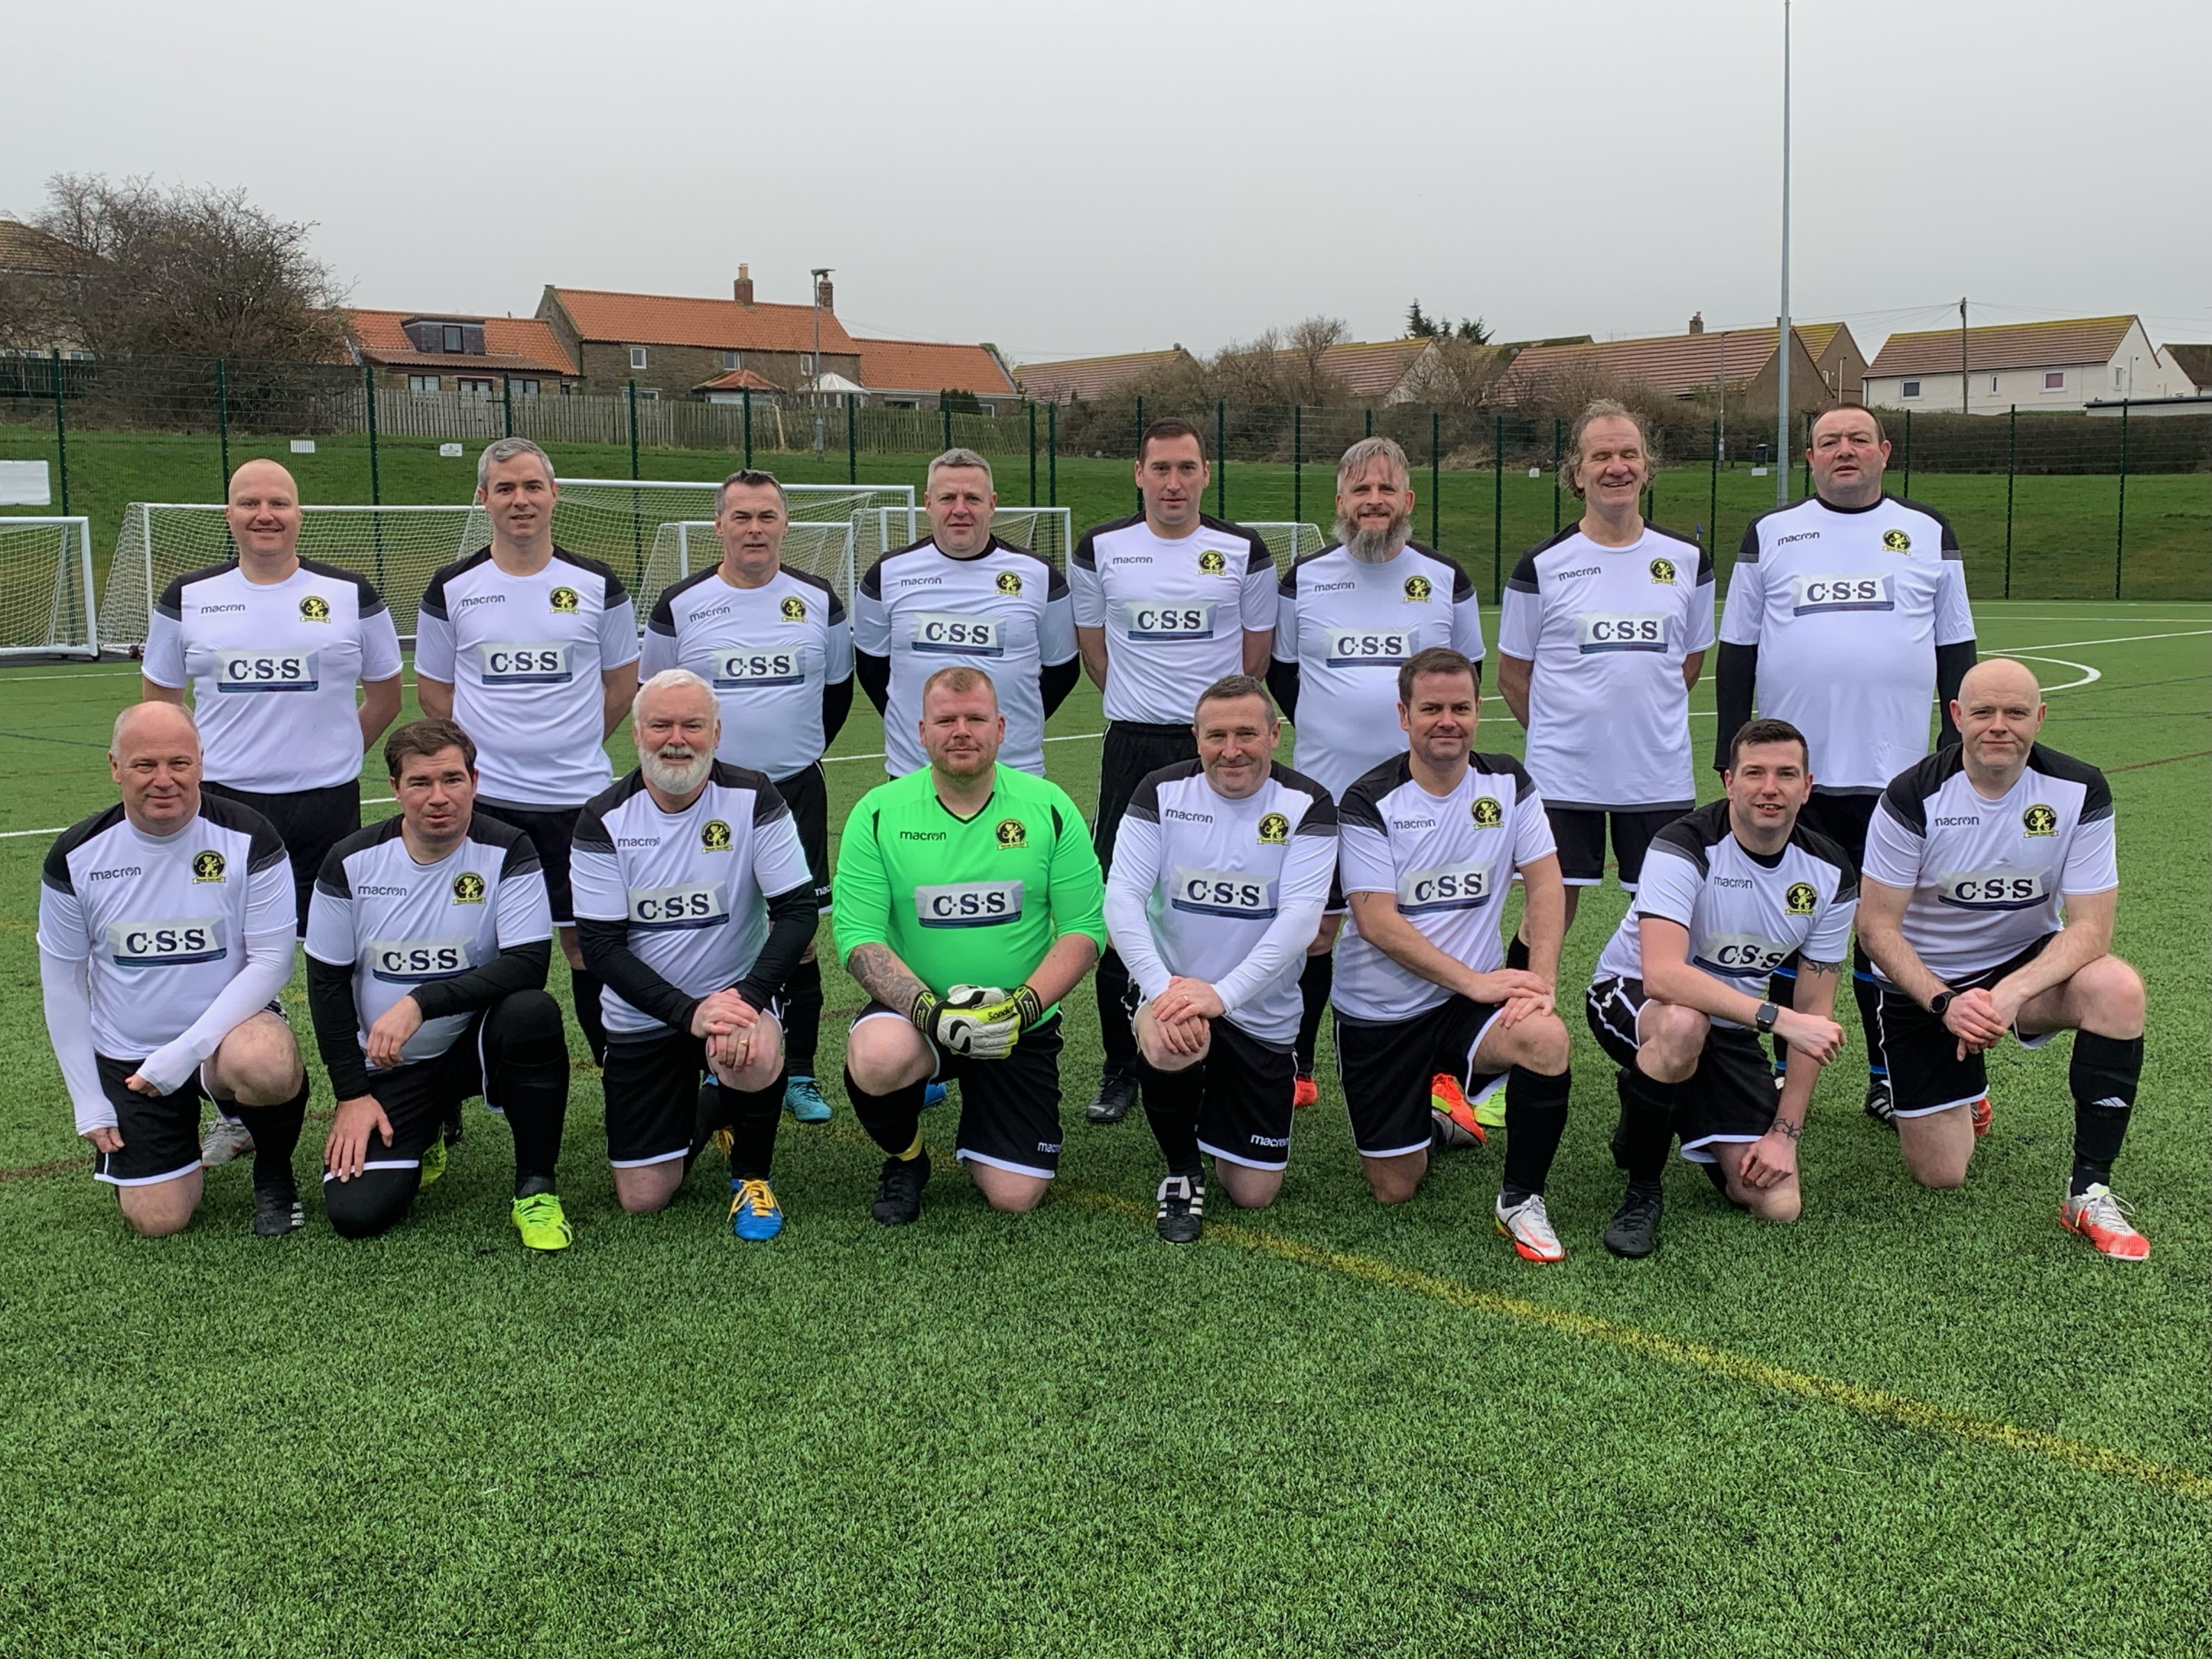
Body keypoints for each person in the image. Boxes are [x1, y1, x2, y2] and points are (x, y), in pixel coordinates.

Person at [1715, 403, 1977, 1125]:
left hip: (1898, 777)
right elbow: (1737, 652)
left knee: (1887, 933)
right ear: (1809, 457)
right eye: (1829, 441)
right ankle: (1772, 1072)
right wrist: (1730, 752)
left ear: (1885, 450)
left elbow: (1956, 650)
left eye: (1859, 439)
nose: (1844, 450)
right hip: (1792, 781)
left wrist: (1955, 751)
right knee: (1780, 925)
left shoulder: (1928, 531)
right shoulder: (1770, 533)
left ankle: (1887, 1075)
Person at [141, 457, 403, 1168]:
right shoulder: (189, 597)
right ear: (228, 513)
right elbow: (161, 706)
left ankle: (397, 1094)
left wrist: (335, 754)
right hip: (223, 812)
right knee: (222, 964)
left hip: (327, 809)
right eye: (249, 502)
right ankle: (237, 1111)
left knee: (352, 959)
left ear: (299, 512)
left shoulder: (349, 594)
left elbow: (385, 695)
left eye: (279, 502)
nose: (265, 514)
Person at [1855, 659, 2150, 1260]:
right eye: (1984, 712)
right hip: (1929, 982)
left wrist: (2007, 995)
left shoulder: (2079, 789)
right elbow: (1876, 928)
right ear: (1956, 716)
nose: (1999, 726)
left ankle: (2088, 1189)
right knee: (1941, 1173)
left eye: (2015, 712)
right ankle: (1968, 1094)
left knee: (2118, 988)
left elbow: (2091, 928)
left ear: (2039, 717)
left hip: (2023, 965)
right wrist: (1945, 1002)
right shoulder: (1910, 796)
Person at [836, 666, 1105, 1225]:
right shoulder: (879, 812)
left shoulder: (1048, 806)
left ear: (1000, 728)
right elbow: (859, 938)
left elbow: (1085, 929)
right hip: (921, 1016)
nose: (961, 731)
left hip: (1018, 1021)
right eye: (946, 720)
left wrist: (1019, 1008)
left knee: (1015, 1196)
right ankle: (907, 1157)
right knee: (878, 1056)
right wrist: (932, 1014)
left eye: (975, 718)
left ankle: (985, 1119)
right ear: (922, 731)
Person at [1332, 648, 1575, 1261]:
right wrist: (1475, 981)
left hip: (1467, 1004)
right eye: (1432, 708)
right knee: (1394, 1188)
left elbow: (1546, 882)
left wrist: (1540, 982)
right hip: (1382, 1012)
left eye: (1461, 708)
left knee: (1545, 1037)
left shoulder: (1508, 782)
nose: (1448, 721)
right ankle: (1439, 1121)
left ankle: (1521, 1200)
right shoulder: (1368, 800)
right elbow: (1376, 922)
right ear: (1404, 716)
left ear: (1476, 712)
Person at [1069, 418, 1276, 1125]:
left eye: (1187, 467)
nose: (1174, 482)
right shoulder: (1099, 548)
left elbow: (1255, 659)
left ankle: (1233, 1045)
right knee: (1120, 902)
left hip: (1217, 752)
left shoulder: (1244, 550)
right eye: (1160, 468)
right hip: (1131, 746)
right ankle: (1119, 1063)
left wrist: (1213, 728)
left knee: (1224, 895)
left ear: (1206, 473)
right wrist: (1144, 704)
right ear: (1139, 473)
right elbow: (1094, 652)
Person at [1586, 718, 1855, 1258]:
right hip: (1635, 996)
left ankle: (1649, 1095)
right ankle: (1643, 1191)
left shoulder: (1830, 872)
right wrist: (1777, 1018)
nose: (1769, 788)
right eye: (1754, 773)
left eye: (1786, 774)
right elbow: (1663, 975)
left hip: (1731, 1022)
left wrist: (1785, 1135)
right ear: (1730, 782)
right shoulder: (1683, 845)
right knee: (1683, 1026)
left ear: (1807, 786)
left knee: (1775, 1201)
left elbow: (1814, 1014)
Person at [1268, 435, 1483, 1113]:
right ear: (1340, 501)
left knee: (1427, 927)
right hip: (1327, 793)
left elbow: (1464, 678)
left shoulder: (1444, 578)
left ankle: (1441, 1068)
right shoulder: (1303, 579)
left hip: (1421, 798)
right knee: (1317, 931)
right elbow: (1282, 672)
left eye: (1386, 488)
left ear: (1408, 499)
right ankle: (1298, 1065)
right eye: (1361, 489)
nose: (1374, 500)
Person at [38, 703, 309, 1236]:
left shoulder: (251, 837)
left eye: (179, 763)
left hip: (224, 1039)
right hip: (131, 1056)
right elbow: (63, 983)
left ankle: (274, 1171)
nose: (164, 779)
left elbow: (272, 961)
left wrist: (187, 1051)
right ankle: (194, 1131)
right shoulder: (76, 855)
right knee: (158, 1220)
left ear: (201, 763)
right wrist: (88, 1100)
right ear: (115, 767)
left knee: (267, 1061)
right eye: (145, 764)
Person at [416, 436, 641, 1067]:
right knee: (475, 947)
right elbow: (434, 690)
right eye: (506, 488)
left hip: (577, 801)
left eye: (532, 486)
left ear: (554, 494)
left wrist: (570, 741)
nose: (521, 500)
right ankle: (454, 1087)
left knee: (586, 945)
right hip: (485, 806)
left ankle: (619, 1072)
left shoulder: (597, 583)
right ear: (483, 498)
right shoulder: (452, 586)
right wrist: (483, 758)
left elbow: (622, 685)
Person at [305, 718, 573, 1248]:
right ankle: (427, 1127)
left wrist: (420, 1002)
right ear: (395, 788)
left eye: (452, 779)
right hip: (389, 1063)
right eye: (420, 783)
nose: (438, 797)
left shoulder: (508, 849)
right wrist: (351, 1095)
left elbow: (528, 963)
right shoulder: (350, 861)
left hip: (472, 1048)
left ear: (474, 781)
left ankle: (536, 1187)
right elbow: (326, 984)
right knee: (357, 1214)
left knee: (532, 1012)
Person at [570, 671, 819, 1240]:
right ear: (637, 734)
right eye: (661, 725)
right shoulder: (602, 818)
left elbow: (797, 911)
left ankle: (751, 1176)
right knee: (644, 1198)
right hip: (644, 1014)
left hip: (732, 1005)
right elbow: (601, 948)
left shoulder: (754, 796)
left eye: (693, 725)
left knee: (752, 1048)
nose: (676, 739)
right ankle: (716, 1103)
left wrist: (747, 1000)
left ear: (717, 734)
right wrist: (689, 1013)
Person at [641, 467, 855, 1124]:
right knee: (715, 923)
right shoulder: (681, 604)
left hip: (794, 789)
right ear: (719, 526)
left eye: (766, 516)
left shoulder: (817, 599)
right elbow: (657, 701)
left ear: (785, 524)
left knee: (801, 933)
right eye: (741, 516)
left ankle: (800, 1072)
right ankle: (708, 1058)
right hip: (704, 797)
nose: (754, 529)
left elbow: (837, 692)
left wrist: (789, 750)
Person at [1104, 674, 1336, 1242]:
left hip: (1259, 1010)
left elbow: (1301, 922)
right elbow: (1121, 901)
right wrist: (1163, 989)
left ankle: (1210, 1099)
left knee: (1254, 1193)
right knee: (1171, 1037)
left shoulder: (1308, 802)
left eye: (1246, 734)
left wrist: (1222, 995)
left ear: (1274, 735)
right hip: (1174, 994)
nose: (1231, 750)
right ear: (1196, 738)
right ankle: (1182, 1170)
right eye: (1216, 736)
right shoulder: (1159, 791)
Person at [1498, 401, 1711, 947]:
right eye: (1601, 457)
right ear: (1577, 474)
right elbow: (1512, 675)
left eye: (1628, 454)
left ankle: (1648, 1005)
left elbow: (1689, 660)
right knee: (1548, 916)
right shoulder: (1541, 565)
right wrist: (1565, 732)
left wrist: (1641, 714)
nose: (1617, 467)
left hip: (1658, 776)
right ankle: (1522, 1002)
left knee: (1666, 919)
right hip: (1564, 778)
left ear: (1647, 467)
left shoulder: (1688, 560)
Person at [853, 447, 1079, 780]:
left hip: (1015, 772)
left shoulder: (1041, 576)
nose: (960, 509)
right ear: (928, 503)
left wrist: (1006, 728)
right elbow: (871, 668)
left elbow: (1063, 670)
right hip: (914, 773)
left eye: (972, 498)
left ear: (992, 503)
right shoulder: (885, 575)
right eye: (948, 498)